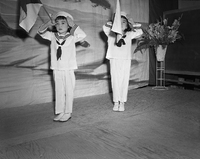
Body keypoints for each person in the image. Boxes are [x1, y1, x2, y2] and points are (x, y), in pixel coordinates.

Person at [38, 11, 87, 122]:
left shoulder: (72, 37)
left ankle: (68, 112)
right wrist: (48, 23)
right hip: (57, 67)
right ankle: (60, 111)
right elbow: (40, 32)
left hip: (68, 68)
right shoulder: (52, 36)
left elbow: (83, 35)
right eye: (57, 23)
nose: (60, 26)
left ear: (68, 24)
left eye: (63, 23)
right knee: (59, 90)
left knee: (69, 90)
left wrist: (73, 24)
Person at [103, 11, 143, 112]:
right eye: (118, 22)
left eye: (123, 22)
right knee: (115, 80)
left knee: (124, 81)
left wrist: (133, 24)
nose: (121, 24)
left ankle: (122, 102)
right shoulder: (111, 33)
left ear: (127, 25)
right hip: (114, 58)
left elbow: (140, 32)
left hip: (125, 59)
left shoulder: (129, 34)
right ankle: (116, 102)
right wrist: (114, 23)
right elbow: (105, 26)